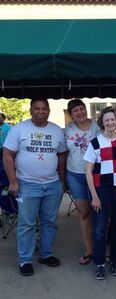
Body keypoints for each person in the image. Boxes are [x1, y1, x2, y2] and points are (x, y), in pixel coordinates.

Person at [3, 99, 67, 277]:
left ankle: (46, 254)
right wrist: (13, 181)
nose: (40, 111)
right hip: (27, 184)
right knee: (26, 224)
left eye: (44, 108)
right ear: (31, 110)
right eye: (37, 108)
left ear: (49, 111)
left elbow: (61, 156)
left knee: (49, 222)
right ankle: (25, 260)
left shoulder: (56, 130)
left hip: (52, 185)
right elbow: (7, 155)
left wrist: (61, 181)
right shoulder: (19, 129)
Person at [84, 107, 116, 280]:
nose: (110, 122)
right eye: (106, 120)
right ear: (102, 123)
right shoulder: (95, 143)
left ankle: (115, 262)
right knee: (99, 229)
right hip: (101, 190)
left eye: (112, 119)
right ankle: (99, 264)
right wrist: (94, 196)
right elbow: (88, 171)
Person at [64, 99, 100, 265]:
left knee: (99, 213)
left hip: (95, 175)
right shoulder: (67, 129)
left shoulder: (97, 127)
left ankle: (101, 247)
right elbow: (61, 152)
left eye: (82, 109)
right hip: (75, 175)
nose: (80, 113)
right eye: (75, 111)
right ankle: (89, 250)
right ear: (71, 115)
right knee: (84, 213)